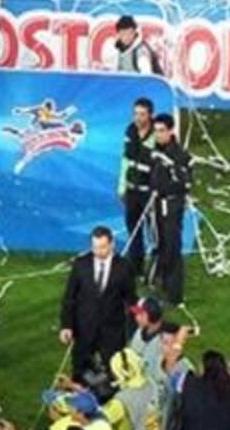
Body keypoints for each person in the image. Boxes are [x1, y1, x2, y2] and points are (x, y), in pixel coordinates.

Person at [58, 226, 137, 381]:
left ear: (112, 244)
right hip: (84, 329)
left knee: (114, 373)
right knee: (80, 372)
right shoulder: (81, 264)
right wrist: (66, 325)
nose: (98, 251)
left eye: (102, 247)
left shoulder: (124, 267)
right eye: (95, 247)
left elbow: (130, 298)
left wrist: (134, 329)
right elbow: (69, 298)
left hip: (112, 331)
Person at [147, 113, 190, 304]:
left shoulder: (180, 154)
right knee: (161, 243)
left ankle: (175, 295)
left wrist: (171, 167)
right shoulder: (155, 151)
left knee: (172, 246)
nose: (158, 134)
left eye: (162, 130)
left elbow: (186, 182)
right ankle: (162, 282)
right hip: (157, 204)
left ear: (171, 131)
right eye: (155, 131)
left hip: (172, 204)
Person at [119, 97, 157, 278]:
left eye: (142, 114)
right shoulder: (130, 131)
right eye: (135, 113)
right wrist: (122, 187)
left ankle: (157, 269)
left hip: (149, 193)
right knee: (133, 231)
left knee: (155, 232)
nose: (138, 118)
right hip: (131, 191)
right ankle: (136, 269)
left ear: (150, 115)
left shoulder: (157, 135)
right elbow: (125, 160)